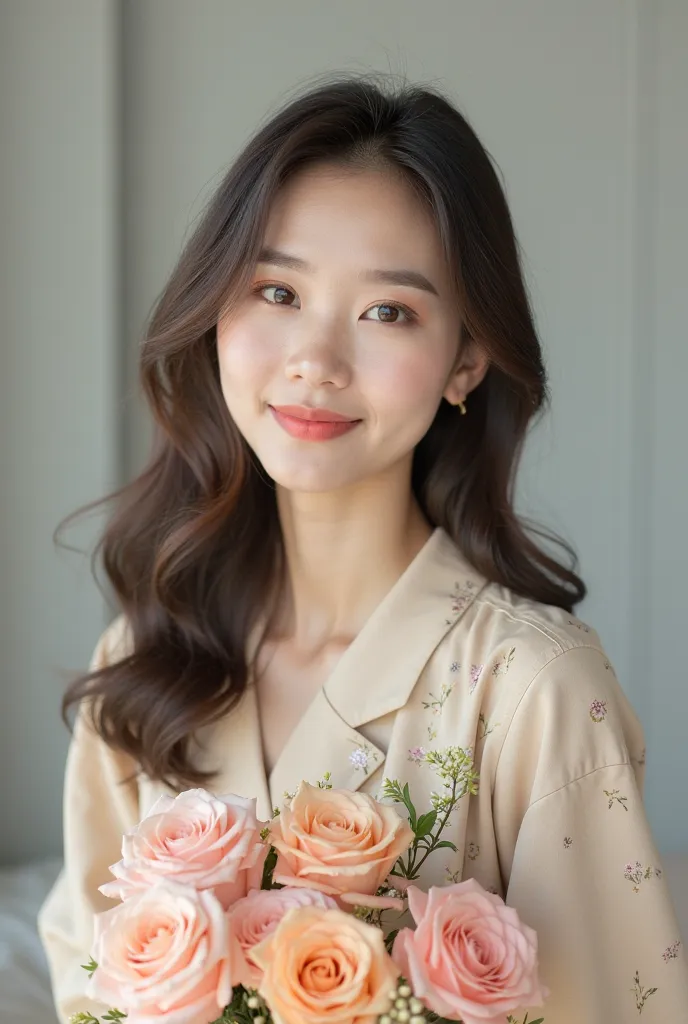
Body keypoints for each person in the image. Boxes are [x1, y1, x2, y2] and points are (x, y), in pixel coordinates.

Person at [39, 72, 688, 1023]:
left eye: (387, 311)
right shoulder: (144, 659)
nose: (316, 360)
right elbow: (82, 984)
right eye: (275, 290)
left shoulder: (533, 689)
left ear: (466, 360)